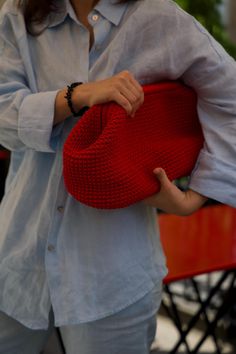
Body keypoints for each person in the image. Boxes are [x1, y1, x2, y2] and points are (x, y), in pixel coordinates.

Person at [0, 0, 235, 353]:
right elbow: (3, 115)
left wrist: (194, 197)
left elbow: (229, 97)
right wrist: (76, 96)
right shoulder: (18, 13)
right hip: (19, 258)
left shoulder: (159, 18)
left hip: (113, 273)